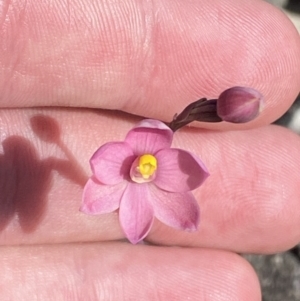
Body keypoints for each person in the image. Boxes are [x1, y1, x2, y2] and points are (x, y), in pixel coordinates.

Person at [0, 0, 299, 299]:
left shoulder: (169, 181)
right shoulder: (138, 147)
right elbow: (99, 185)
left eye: (147, 168)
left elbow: (180, 212)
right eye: (146, 167)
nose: (143, 169)